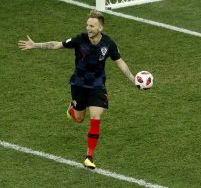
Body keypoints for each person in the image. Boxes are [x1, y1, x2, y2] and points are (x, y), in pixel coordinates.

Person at [18, 10, 137, 169]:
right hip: (79, 85)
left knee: (95, 117)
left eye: (92, 26)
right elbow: (56, 45)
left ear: (100, 28)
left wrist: (134, 79)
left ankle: (89, 156)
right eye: (87, 25)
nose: (88, 28)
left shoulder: (108, 43)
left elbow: (120, 62)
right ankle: (73, 109)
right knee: (79, 118)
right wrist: (36, 45)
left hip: (97, 86)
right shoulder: (80, 39)